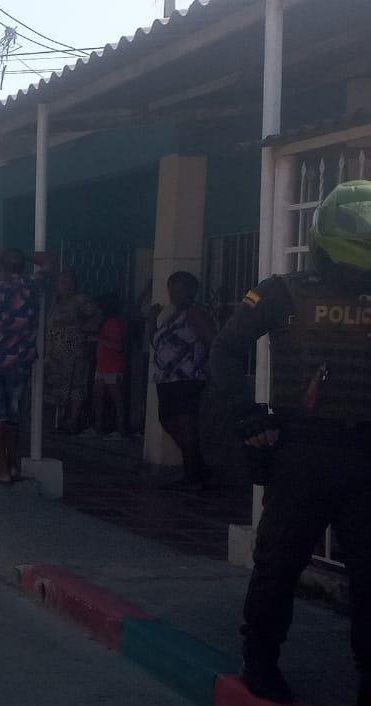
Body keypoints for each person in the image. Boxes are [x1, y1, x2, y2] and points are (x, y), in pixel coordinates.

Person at [212, 181, 371, 705]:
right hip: (303, 450)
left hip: (359, 455)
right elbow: (226, 350)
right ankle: (259, 661)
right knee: (279, 565)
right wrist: (246, 415)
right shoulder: (281, 292)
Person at [0, 248, 53, 486]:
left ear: (0, 267)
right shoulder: (33, 286)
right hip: (20, 361)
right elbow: (49, 260)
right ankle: (13, 465)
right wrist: (23, 257)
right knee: (12, 415)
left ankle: (2, 469)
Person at [149, 271, 216, 491]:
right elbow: (157, 344)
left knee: (185, 424)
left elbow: (212, 341)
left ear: (191, 291)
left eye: (180, 289)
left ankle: (193, 474)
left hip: (186, 377)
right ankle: (197, 467)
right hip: (167, 378)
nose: (175, 294)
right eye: (172, 289)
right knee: (168, 420)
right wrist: (151, 320)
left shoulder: (194, 313)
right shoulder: (172, 315)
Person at [45, 270, 99, 434]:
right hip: (55, 356)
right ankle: (60, 420)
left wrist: (83, 328)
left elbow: (97, 316)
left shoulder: (80, 301)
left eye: (69, 282)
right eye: (62, 282)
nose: (66, 286)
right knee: (57, 387)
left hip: (75, 354)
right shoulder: (55, 303)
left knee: (76, 387)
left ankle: (73, 421)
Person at [82, 293, 129, 440]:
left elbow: (118, 346)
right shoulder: (106, 321)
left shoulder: (115, 323)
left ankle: (120, 430)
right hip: (102, 366)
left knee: (117, 399)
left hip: (113, 367)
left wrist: (98, 339)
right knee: (97, 397)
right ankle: (98, 427)